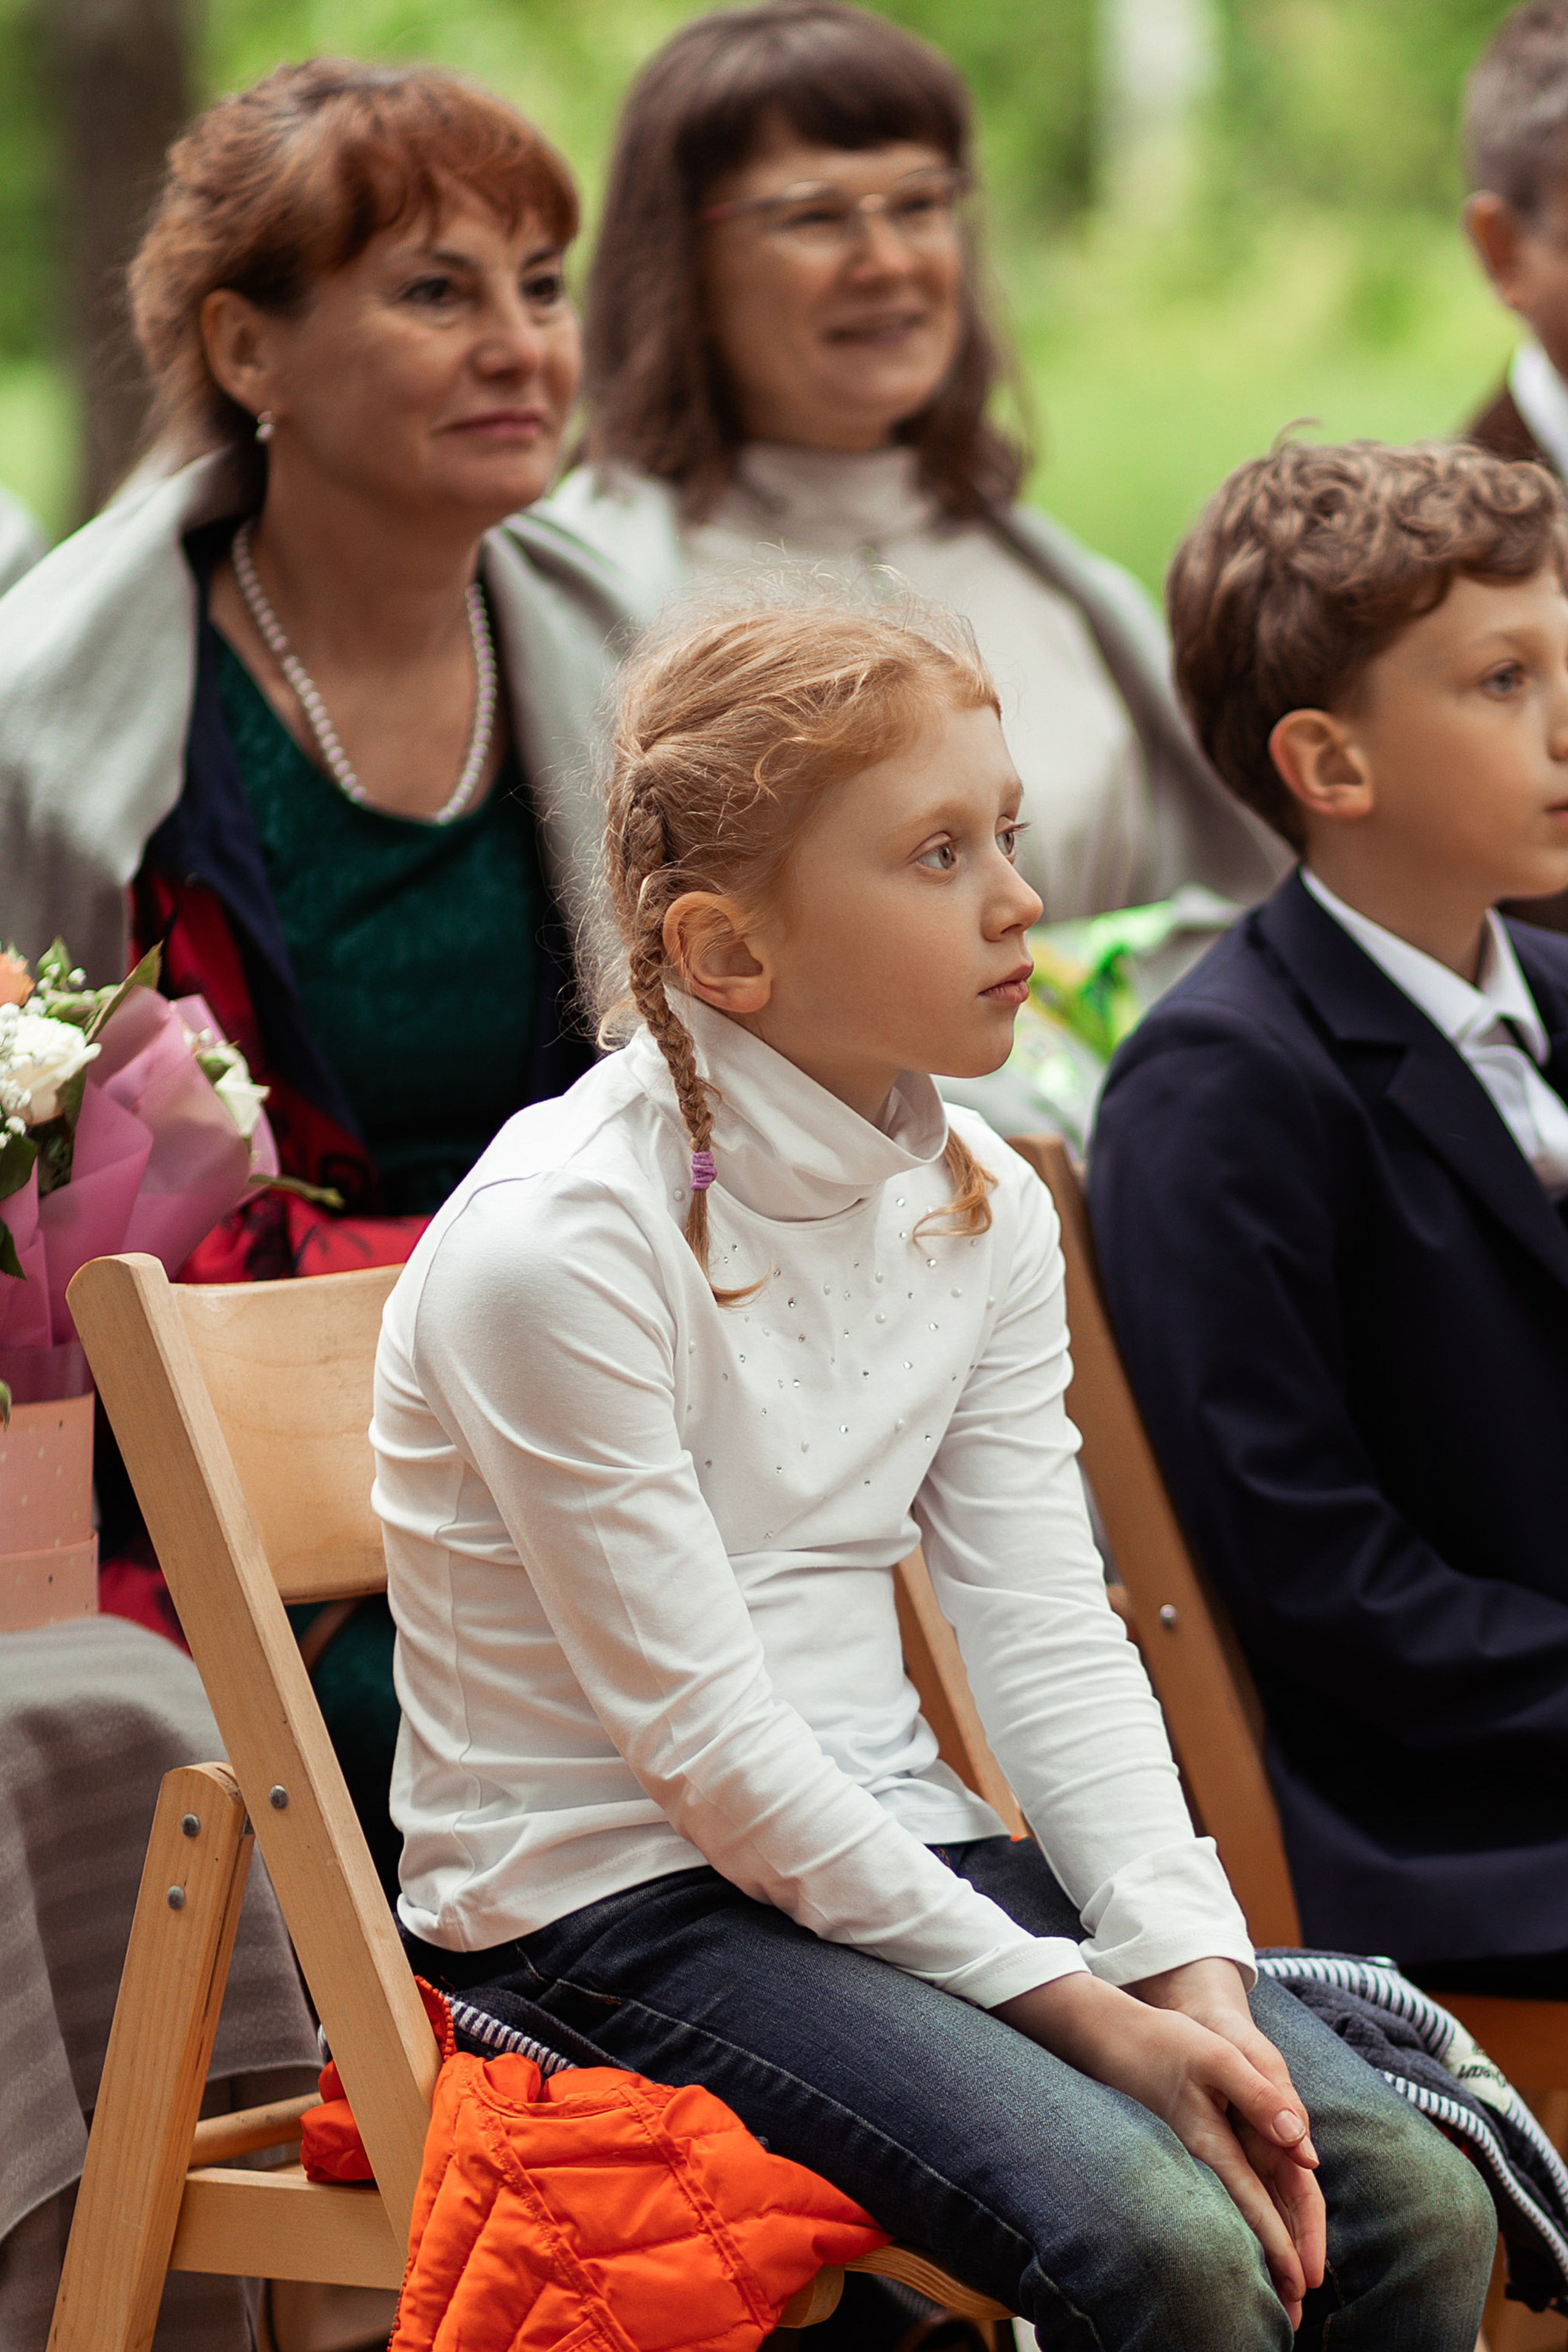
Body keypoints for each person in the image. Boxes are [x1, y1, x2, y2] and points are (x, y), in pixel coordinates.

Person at [372, 596, 1494, 2350]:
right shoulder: (560, 1249)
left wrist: (1189, 1968)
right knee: (1163, 2239)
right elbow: (705, 1752)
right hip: (610, 1912)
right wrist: (1093, 2019)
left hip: (895, 1844)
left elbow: (1047, 1626)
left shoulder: (980, 1193)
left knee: (1407, 2201)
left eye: (1010, 834)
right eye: (937, 851)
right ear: (727, 953)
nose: (1018, 898)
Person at [0, 58, 640, 1898]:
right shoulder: (55, 730)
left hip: (619, 1423)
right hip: (210, 1492)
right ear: (248, 350)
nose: (521, 343)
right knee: (508, 1718)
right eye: (438, 291)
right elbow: (46, 1267)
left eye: (542, 282)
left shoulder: (641, 670)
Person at [1088, 438, 1568, 1996]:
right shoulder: (1220, 1085)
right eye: (1502, 681)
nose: (1561, 718)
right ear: (1330, 766)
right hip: (1428, 1812)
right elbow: (1310, 1576)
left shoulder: (1556, 997)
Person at [541, 0, 1283, 928]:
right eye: (816, 216)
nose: (889, 260)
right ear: (677, 259)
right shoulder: (582, 600)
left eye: (921, 204)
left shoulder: (1055, 578)